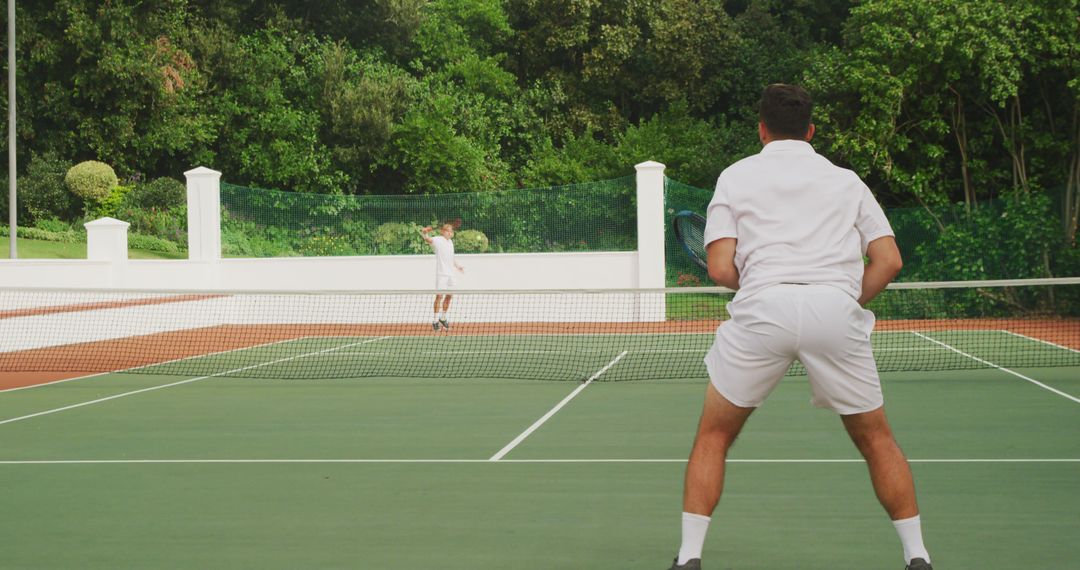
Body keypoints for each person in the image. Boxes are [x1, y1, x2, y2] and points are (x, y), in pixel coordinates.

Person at [667, 84, 932, 570]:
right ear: (810, 131)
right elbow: (888, 260)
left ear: (761, 129)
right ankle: (918, 557)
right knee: (877, 439)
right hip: (834, 309)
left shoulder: (735, 176)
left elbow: (722, 269)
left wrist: (765, 285)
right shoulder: (847, 181)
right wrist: (843, 299)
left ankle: (688, 559)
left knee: (713, 437)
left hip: (763, 309)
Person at [420, 223, 464, 331]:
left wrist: (458, 266)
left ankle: (443, 318)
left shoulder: (451, 243)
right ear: (443, 232)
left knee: (449, 295)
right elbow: (427, 240)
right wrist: (425, 233)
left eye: (451, 231)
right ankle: (435, 320)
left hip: (451, 274)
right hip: (441, 274)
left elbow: (451, 257)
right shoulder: (438, 240)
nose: (450, 232)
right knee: (439, 296)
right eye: (448, 231)